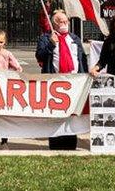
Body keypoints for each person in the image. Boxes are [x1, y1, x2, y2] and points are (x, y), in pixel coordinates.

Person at [35, 8, 87, 150]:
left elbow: (82, 59)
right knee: (56, 116)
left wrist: (85, 77)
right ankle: (56, 144)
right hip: (55, 83)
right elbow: (40, 56)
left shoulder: (74, 39)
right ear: (54, 24)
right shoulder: (46, 38)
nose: (64, 23)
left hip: (74, 82)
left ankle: (71, 143)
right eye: (60, 21)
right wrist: (51, 44)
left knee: (72, 115)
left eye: (66, 21)